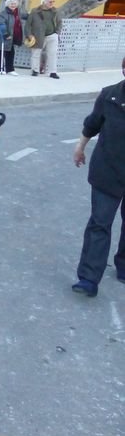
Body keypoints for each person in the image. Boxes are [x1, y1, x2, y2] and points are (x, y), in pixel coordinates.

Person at [70, 55, 125, 297]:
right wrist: (80, 147)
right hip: (108, 170)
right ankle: (89, 278)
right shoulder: (109, 95)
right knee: (99, 223)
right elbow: (93, 124)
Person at [26, 0, 61, 78]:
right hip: (38, 35)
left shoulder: (55, 11)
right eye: (50, 1)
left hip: (52, 35)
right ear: (43, 2)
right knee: (36, 53)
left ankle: (53, 72)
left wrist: (57, 32)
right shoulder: (35, 11)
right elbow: (28, 24)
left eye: (53, 1)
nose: (52, 3)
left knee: (52, 54)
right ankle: (35, 70)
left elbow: (59, 22)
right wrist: (29, 35)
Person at [0, 0, 26, 75]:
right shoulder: (3, 13)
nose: (13, 5)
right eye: (11, 3)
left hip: (12, 36)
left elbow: (25, 16)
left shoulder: (17, 13)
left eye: (14, 3)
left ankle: (10, 69)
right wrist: (5, 34)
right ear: (7, 4)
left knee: (11, 53)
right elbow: (1, 24)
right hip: (3, 35)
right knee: (1, 52)